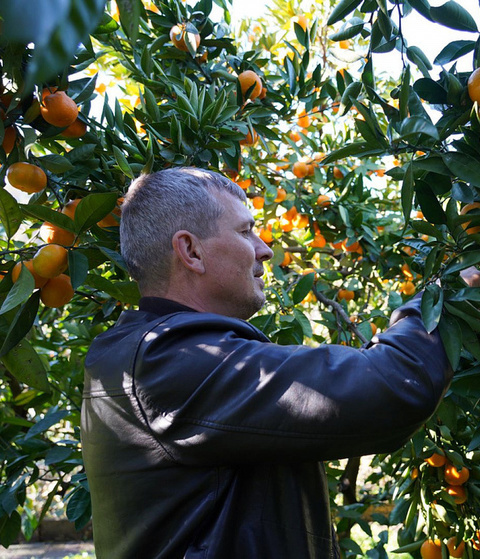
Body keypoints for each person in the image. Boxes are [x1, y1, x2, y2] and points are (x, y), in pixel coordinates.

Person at [81, 167, 452, 558]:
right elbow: (391, 388)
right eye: (245, 232)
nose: (264, 249)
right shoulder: (170, 359)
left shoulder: (150, 352)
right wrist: (442, 301)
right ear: (190, 251)